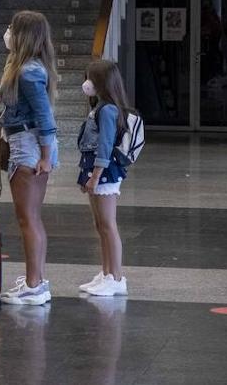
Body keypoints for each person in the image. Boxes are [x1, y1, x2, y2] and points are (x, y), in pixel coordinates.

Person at [0, 10, 59, 306]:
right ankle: (36, 280)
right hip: (27, 142)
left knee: (28, 218)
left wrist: (46, 157)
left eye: (12, 27)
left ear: (23, 35)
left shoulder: (28, 72)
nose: (7, 31)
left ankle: (34, 285)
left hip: (29, 146)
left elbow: (44, 116)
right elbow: (26, 104)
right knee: (31, 218)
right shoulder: (25, 68)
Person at [77, 59, 134, 298]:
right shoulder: (99, 107)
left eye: (90, 78)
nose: (86, 83)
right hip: (95, 171)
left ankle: (116, 277)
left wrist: (95, 177)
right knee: (100, 225)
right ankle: (106, 273)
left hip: (105, 172)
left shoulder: (108, 110)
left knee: (108, 225)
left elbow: (105, 145)